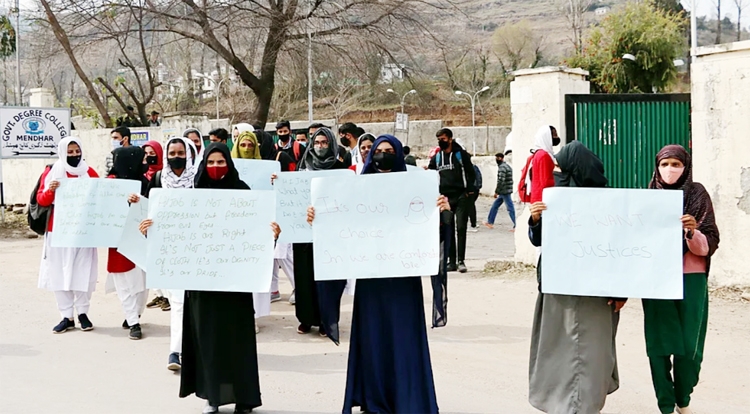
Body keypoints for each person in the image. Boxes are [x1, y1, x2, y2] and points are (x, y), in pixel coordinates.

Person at [306, 134, 442, 414]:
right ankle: (374, 399)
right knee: (374, 340)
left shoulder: (415, 187)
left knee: (404, 339)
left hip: (404, 280)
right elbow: (339, 227)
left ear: (399, 154)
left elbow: (431, 233)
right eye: (377, 151)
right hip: (371, 282)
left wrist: (442, 211)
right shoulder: (356, 190)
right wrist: (316, 217)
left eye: (389, 150)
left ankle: (409, 399)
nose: (382, 155)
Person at [140, 143, 276, 414]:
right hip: (202, 284)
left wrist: (272, 233)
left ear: (229, 163)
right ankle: (213, 396)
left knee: (236, 343)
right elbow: (175, 238)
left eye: (221, 162)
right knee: (209, 343)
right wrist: (150, 233)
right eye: (211, 163)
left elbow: (256, 238)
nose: (215, 168)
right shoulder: (192, 197)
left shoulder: (243, 193)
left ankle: (243, 398)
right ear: (203, 165)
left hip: (236, 285)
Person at [526, 140, 625, 414]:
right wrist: (535, 219)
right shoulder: (553, 196)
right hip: (560, 288)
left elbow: (620, 247)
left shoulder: (609, 202)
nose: (558, 170)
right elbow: (537, 240)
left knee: (594, 355)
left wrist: (621, 291)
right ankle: (560, 406)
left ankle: (588, 406)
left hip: (598, 292)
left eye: (563, 165)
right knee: (558, 351)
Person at [643, 145, 719, 414]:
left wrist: (692, 232)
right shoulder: (649, 196)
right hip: (656, 279)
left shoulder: (698, 194)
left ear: (686, 167)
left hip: (691, 278)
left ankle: (683, 398)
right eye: (664, 164)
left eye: (676, 164)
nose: (670, 170)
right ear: (657, 166)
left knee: (689, 347)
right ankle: (665, 405)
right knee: (659, 345)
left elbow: (710, 243)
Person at [131, 137, 198, 371]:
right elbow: (148, 211)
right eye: (172, 153)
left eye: (181, 153)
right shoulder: (159, 180)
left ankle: (199, 347)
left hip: (198, 249)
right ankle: (175, 351)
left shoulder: (199, 180)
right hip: (170, 251)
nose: (176, 157)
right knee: (178, 301)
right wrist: (141, 217)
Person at [37, 137, 99, 333]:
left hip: (83, 232)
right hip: (58, 231)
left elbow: (101, 194)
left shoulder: (88, 172)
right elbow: (42, 200)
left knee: (82, 272)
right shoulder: (52, 171)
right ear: (63, 152)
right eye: (70, 152)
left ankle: (82, 313)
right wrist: (51, 190)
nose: (74, 155)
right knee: (59, 272)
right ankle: (66, 316)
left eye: (77, 151)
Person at [295, 128, 348, 340]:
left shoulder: (340, 169)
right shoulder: (302, 168)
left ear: (332, 144)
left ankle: (328, 320)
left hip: (331, 234)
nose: (320, 146)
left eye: (325, 142)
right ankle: (306, 318)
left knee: (329, 279)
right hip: (304, 234)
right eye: (316, 142)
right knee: (305, 277)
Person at [106, 146, 149, 340]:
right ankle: (133, 321)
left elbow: (152, 205)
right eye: (140, 160)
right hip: (118, 242)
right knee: (124, 282)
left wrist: (140, 201)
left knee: (143, 282)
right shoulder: (110, 184)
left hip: (143, 239)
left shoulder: (146, 182)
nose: (144, 163)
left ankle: (135, 313)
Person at [428, 128, 475, 273]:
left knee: (461, 228)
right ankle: (451, 261)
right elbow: (430, 173)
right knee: (448, 229)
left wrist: (469, 191)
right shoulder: (437, 157)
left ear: (449, 138)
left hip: (461, 196)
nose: (440, 142)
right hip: (445, 198)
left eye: (443, 139)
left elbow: (471, 173)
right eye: (438, 139)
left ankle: (461, 261)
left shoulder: (460, 155)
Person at [521, 125, 559, 203]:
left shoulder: (538, 154)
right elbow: (546, 181)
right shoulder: (544, 155)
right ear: (546, 137)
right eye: (554, 135)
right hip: (543, 199)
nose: (556, 137)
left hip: (538, 197)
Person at [485, 152, 516, 231]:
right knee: (495, 206)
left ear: (502, 158)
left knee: (510, 208)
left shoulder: (502, 168)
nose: (497, 159)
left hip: (504, 191)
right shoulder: (507, 166)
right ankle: (490, 222)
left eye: (498, 158)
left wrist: (497, 191)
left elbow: (500, 181)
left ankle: (516, 224)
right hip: (505, 190)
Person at [467, 164, 482, 232]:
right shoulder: (475, 167)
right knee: (471, 207)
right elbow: (479, 177)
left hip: (471, 190)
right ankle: (473, 223)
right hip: (475, 189)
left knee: (469, 207)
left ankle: (472, 224)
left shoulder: (467, 167)